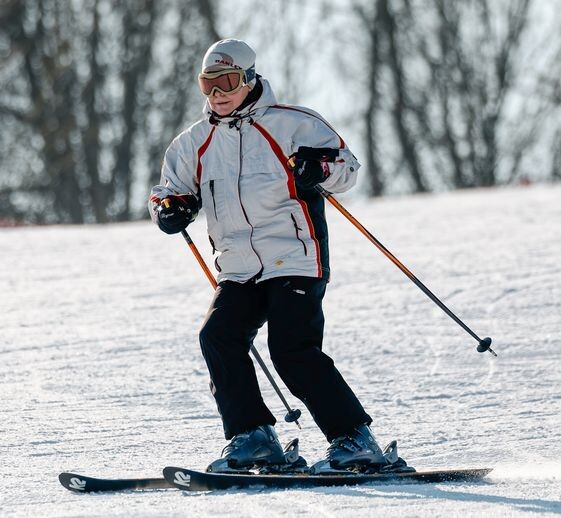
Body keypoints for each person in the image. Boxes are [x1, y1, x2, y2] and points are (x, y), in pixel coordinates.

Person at [149, 39, 402, 474]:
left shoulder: (292, 124)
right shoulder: (194, 143)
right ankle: (254, 437)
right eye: (208, 84)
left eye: (228, 81)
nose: (217, 93)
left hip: (296, 257)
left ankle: (355, 439)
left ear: (249, 79)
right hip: (238, 267)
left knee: (291, 349)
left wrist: (318, 169)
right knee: (218, 336)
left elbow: (346, 167)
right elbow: (167, 192)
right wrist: (171, 210)